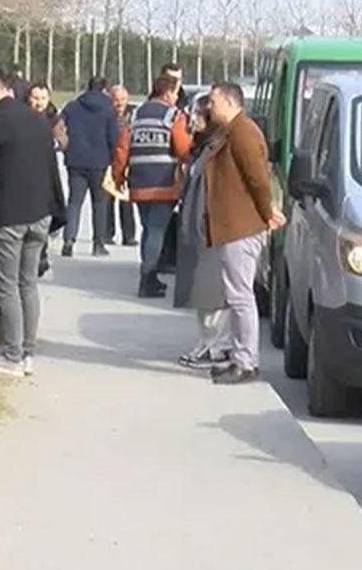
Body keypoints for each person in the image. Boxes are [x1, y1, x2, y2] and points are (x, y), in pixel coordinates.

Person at [0, 76, 66, 378]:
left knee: (6, 284)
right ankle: (27, 350)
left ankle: (10, 353)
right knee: (28, 283)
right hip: (40, 213)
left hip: (9, 213)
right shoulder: (39, 120)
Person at [201, 81, 283, 384]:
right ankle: (240, 355)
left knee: (240, 296)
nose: (210, 107)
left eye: (213, 101)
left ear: (229, 101)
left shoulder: (243, 132)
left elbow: (258, 179)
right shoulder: (232, 131)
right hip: (236, 224)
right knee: (236, 294)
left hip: (242, 225)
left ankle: (246, 361)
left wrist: (266, 213)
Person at [113, 74, 192, 298]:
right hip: (163, 184)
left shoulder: (134, 114)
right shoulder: (173, 115)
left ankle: (149, 275)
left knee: (148, 229)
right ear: (168, 93)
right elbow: (183, 148)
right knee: (156, 231)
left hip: (138, 183)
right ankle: (148, 279)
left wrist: (119, 177)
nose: (177, 98)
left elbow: (121, 149)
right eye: (176, 93)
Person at [177, 98, 231, 369]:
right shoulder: (202, 149)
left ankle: (217, 347)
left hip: (213, 229)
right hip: (198, 227)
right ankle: (207, 342)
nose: (192, 121)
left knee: (214, 292)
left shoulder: (217, 149)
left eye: (197, 116)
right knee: (203, 292)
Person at [58, 76, 120, 257]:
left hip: (75, 160)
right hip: (100, 162)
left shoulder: (72, 106)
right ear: (104, 89)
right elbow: (113, 137)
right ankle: (98, 244)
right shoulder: (109, 110)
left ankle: (69, 240)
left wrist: (66, 149)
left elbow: (61, 127)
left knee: (74, 202)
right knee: (100, 204)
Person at [105, 84, 137, 247]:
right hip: (110, 160)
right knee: (107, 199)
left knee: (126, 200)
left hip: (128, 161)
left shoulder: (134, 114)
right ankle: (107, 233)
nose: (119, 103)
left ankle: (129, 235)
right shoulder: (106, 115)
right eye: (116, 100)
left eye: (123, 99)